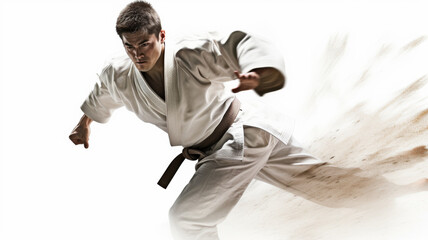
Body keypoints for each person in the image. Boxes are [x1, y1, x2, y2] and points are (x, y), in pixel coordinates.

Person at [69, 1, 427, 239]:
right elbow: (102, 95)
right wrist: (85, 123)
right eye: (129, 47)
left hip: (239, 138)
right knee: (319, 181)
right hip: (244, 138)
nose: (137, 54)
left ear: (161, 35)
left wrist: (261, 71)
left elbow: (237, 43)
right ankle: (409, 186)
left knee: (187, 219)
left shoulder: (189, 54)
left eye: (144, 44)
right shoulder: (118, 73)